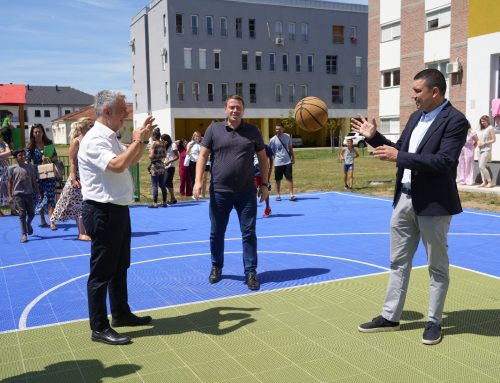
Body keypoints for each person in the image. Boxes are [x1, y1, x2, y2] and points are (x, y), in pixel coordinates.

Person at [351, 69, 468, 345]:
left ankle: (433, 322)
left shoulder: (455, 120)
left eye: (417, 91)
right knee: (397, 262)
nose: (412, 96)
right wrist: (374, 137)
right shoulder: (416, 117)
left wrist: (400, 155)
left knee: (436, 266)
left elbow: (444, 162)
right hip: (404, 199)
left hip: (434, 203)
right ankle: (390, 316)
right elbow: (399, 150)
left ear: (435, 92)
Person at [78, 90, 155, 345]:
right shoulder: (94, 140)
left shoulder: (109, 137)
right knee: (101, 273)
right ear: (107, 111)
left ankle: (120, 313)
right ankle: (99, 326)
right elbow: (118, 165)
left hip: (117, 210)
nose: (127, 116)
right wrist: (136, 141)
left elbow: (131, 159)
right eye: (123, 111)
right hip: (102, 210)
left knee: (120, 266)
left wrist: (140, 142)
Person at [193, 95, 269, 290]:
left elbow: (263, 158)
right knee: (216, 232)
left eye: (238, 108)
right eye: (232, 107)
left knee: (249, 232)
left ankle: (250, 272)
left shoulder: (253, 131)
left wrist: (264, 184)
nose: (235, 110)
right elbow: (202, 156)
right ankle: (216, 267)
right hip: (220, 191)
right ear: (225, 109)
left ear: (243, 110)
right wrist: (197, 182)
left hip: (246, 193)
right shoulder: (214, 129)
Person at [51, 117, 93, 240]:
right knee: (77, 204)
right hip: (79, 177)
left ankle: (84, 231)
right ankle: (81, 233)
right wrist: (74, 179)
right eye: (90, 125)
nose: (92, 127)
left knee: (81, 204)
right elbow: (72, 162)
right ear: (83, 127)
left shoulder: (91, 140)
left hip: (88, 177)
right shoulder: (77, 141)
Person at [25, 123, 58, 230]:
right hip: (37, 175)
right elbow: (27, 161)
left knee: (50, 197)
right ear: (33, 134)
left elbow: (55, 158)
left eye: (39, 131)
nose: (38, 134)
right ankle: (43, 219)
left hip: (49, 174)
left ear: (43, 132)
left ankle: (52, 221)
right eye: (35, 132)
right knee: (40, 198)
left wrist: (48, 158)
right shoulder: (30, 146)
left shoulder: (49, 143)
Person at [7, 149, 41, 243]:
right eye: (20, 155)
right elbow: (9, 183)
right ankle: (24, 234)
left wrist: (38, 192)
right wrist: (10, 196)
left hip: (29, 193)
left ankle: (28, 223)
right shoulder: (11, 169)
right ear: (16, 158)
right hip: (18, 194)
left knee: (32, 213)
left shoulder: (30, 167)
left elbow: (34, 181)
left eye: (23, 155)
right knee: (22, 213)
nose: (22, 157)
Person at [268, 122, 296, 201]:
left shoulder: (287, 136)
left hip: (287, 161)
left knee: (289, 178)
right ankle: (278, 195)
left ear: (283, 129)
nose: (278, 130)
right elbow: (270, 152)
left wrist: (293, 158)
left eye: (279, 129)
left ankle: (291, 194)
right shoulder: (272, 139)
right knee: (278, 179)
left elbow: (290, 148)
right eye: (276, 129)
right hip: (278, 162)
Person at [148, 129, 167, 208]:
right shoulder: (163, 144)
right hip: (161, 165)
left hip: (155, 165)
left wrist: (149, 154)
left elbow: (151, 156)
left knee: (155, 185)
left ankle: (155, 203)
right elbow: (165, 155)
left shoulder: (154, 144)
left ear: (154, 136)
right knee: (162, 184)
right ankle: (164, 202)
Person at [254, 144, 274, 217]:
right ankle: (252, 210)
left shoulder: (265, 146)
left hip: (263, 172)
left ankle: (267, 208)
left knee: (264, 189)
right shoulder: (250, 146)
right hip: (253, 172)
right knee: (252, 190)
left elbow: (271, 158)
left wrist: (270, 169)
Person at [476, 115, 496, 188]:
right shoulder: (481, 130)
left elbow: (494, 140)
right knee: (480, 167)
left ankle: (490, 182)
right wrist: (478, 142)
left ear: (487, 121)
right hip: (479, 150)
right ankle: (484, 182)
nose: (482, 122)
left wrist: (484, 143)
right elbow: (478, 139)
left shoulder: (490, 128)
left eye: (484, 121)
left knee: (481, 166)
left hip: (487, 149)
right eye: (481, 121)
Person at [0, 133, 16, 216]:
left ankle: (13, 209)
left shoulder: (3, 143)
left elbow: (9, 153)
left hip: (6, 169)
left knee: (10, 189)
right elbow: (6, 154)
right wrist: (4, 155)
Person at [161, 133, 179, 204]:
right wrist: (164, 146)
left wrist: (169, 161)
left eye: (163, 140)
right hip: (165, 166)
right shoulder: (165, 146)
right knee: (168, 182)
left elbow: (177, 156)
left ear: (166, 139)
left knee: (165, 182)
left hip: (171, 166)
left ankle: (170, 199)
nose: (162, 141)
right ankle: (173, 198)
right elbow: (163, 155)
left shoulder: (173, 145)